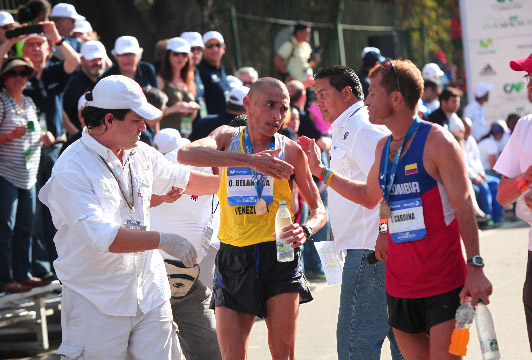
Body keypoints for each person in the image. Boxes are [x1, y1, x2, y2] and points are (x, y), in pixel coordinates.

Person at [299, 59, 492, 358]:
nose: (367, 101)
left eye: (372, 94)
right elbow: (375, 196)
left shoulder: (437, 140)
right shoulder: (383, 146)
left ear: (396, 99)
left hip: (439, 274)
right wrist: (384, 228)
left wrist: (475, 266)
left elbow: (465, 206)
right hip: (399, 277)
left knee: (363, 348)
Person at [38, 75, 221, 359]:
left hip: (150, 291)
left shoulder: (140, 152)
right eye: (137, 120)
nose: (144, 127)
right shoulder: (71, 169)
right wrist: (162, 239)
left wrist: (239, 183)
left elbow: (182, 179)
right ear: (109, 120)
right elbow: (104, 237)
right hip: (96, 300)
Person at [177, 77, 327, 359]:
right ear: (247, 104)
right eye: (270, 105)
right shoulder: (225, 137)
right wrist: (249, 161)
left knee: (283, 354)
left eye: (283, 108)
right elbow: (185, 154)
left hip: (279, 257)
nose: (277, 115)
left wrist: (305, 230)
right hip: (233, 258)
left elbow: (319, 210)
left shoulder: (290, 150)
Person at [301, 65, 402, 359]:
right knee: (401, 343)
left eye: (323, 93)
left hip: (370, 251)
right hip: (370, 249)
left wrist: (323, 172)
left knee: (355, 348)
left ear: (347, 93)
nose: (318, 102)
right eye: (315, 95)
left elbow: (387, 185)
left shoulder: (361, 128)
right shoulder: (351, 126)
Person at [151, 135, 222, 360]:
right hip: (148, 284)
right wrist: (243, 180)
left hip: (189, 286)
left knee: (212, 351)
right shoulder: (178, 161)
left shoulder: (231, 170)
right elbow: (139, 199)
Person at [19, 22, 80, 279]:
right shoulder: (17, 74)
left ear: (47, 50)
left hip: (55, 148)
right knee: (32, 211)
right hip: (27, 149)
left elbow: (74, 61)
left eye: (39, 45)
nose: (35, 49)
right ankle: (41, 268)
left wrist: (56, 38)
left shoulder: (54, 72)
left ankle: (61, 266)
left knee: (56, 209)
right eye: (29, 45)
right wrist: (12, 40)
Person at [0, 57, 54, 293]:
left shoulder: (30, 103)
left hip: (29, 174)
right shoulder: (1, 102)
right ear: (4, 78)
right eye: (14, 74)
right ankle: (5, 278)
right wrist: (10, 136)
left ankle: (24, 274)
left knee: (26, 227)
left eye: (24, 73)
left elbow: (37, 130)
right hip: (6, 173)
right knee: (6, 228)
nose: (20, 78)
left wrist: (46, 136)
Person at [495, 51, 532, 351]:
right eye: (527, 77)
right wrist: (525, 180)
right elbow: (502, 196)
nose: (528, 84)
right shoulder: (524, 127)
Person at [63, 40, 108, 135]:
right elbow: (61, 112)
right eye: (92, 59)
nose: (97, 62)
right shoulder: (72, 84)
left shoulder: (107, 81)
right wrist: (76, 134)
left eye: (100, 58)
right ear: (82, 60)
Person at [157, 37, 199, 135]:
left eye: (184, 54)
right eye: (176, 54)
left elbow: (191, 118)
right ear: (168, 56)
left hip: (185, 136)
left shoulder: (190, 81)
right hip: (166, 136)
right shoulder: (160, 80)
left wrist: (193, 109)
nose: (180, 58)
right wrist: (173, 109)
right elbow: (153, 113)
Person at [273, 22, 318, 87]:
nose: (309, 35)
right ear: (298, 32)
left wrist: (314, 60)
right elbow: (277, 60)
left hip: (307, 86)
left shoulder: (307, 46)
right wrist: (288, 76)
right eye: (307, 32)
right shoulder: (289, 45)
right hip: (293, 88)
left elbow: (310, 65)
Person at [196, 31, 230, 116]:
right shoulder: (199, 70)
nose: (214, 49)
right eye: (209, 46)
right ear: (203, 49)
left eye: (218, 45)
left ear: (224, 48)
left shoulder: (221, 70)